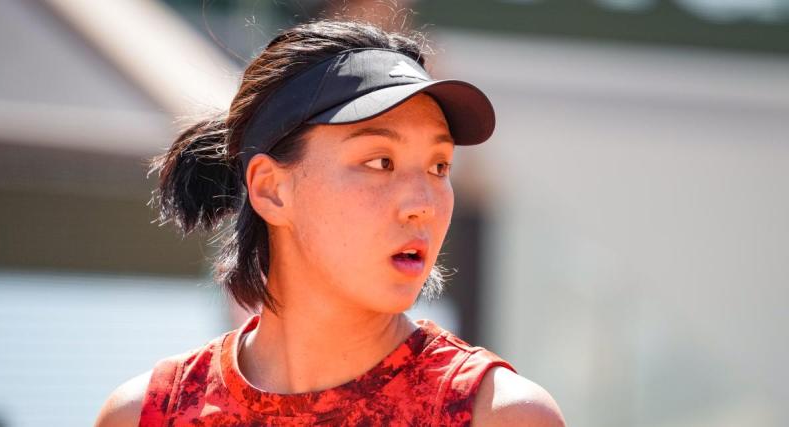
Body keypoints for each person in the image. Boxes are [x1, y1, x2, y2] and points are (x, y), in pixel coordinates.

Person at [94, 18, 565, 427]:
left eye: (439, 167)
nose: (423, 203)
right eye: (381, 161)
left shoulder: (497, 415)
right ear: (271, 189)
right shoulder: (148, 414)